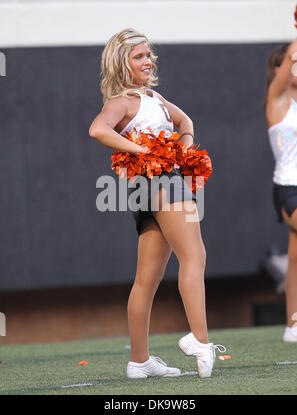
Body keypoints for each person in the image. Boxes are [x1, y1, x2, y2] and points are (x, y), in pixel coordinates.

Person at [89, 28, 225, 378]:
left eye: (149, 54)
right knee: (195, 256)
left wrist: (186, 147)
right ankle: (200, 340)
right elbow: (98, 130)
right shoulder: (122, 100)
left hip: (147, 188)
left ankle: (139, 360)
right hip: (160, 182)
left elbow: (185, 121)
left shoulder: (153, 98)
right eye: (139, 56)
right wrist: (141, 149)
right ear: (122, 63)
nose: (148, 60)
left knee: (147, 278)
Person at [265, 35, 297, 342]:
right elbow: (291, 58)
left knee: (296, 256)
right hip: (290, 188)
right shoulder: (277, 102)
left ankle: (293, 324)